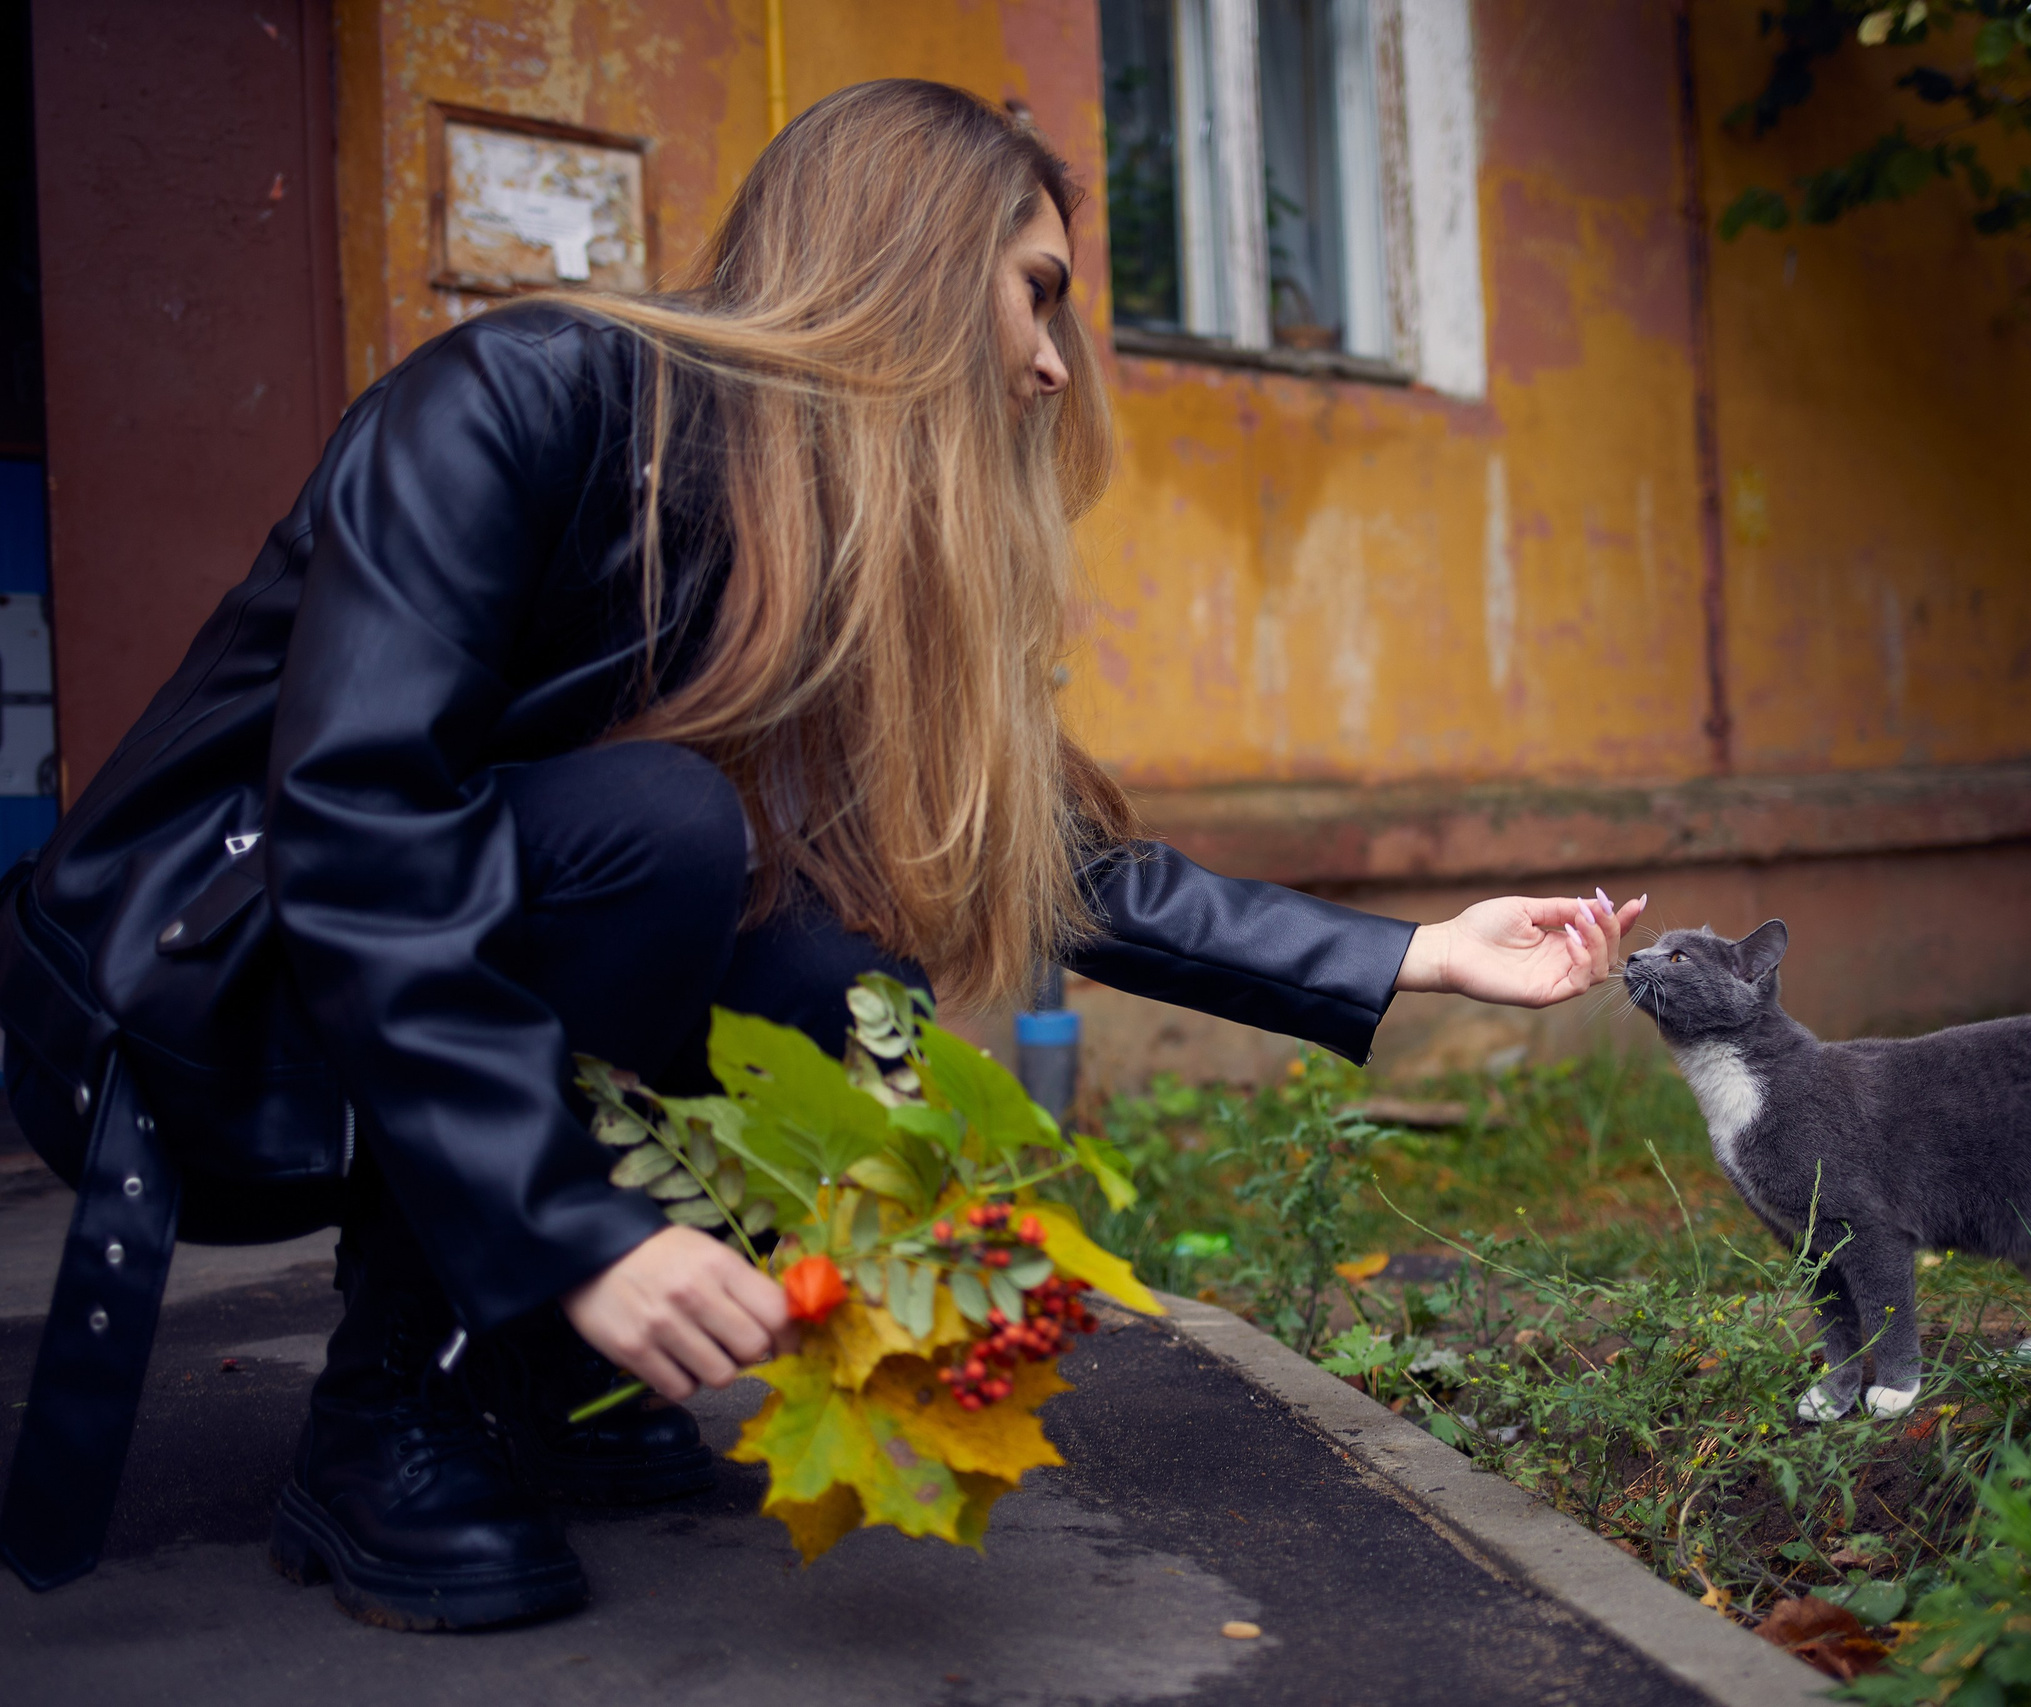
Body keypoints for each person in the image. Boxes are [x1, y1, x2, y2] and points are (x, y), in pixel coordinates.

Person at [0, 80, 1642, 1628]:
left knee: (838, 946)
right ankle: (393, 1411)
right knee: (669, 831)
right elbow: (359, 827)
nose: (1058, 364)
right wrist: (579, 1223)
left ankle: (533, 1377)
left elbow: (1039, 855)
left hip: (391, 999)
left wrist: (1417, 951)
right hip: (185, 999)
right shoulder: (517, 399)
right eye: (1039, 291)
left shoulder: (806, 543)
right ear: (918, 268)